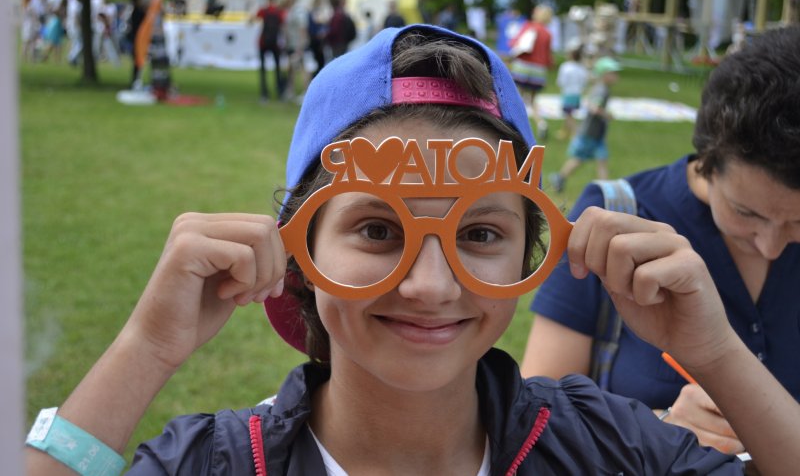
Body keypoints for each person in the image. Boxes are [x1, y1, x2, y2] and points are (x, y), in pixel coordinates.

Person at [25, 24, 800, 476]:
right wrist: (145, 346)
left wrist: (719, 353)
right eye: (378, 230)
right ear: (299, 251)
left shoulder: (601, 445)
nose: (430, 285)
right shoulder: (228, 462)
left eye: (479, 235)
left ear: (533, 248)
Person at [523, 25, 800, 459]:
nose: (770, 246)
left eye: (799, 222)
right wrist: (659, 429)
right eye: (747, 213)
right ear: (706, 155)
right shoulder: (617, 215)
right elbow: (536, 423)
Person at [548, 56, 620, 193]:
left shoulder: (603, 89)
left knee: (602, 159)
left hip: (597, 133)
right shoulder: (601, 90)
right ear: (604, 75)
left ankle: (606, 190)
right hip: (589, 132)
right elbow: (593, 107)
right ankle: (560, 177)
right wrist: (606, 114)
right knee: (579, 158)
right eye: (613, 73)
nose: (616, 76)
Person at [509, 4, 554, 141]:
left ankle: (515, 127)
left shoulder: (529, 26)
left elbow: (515, 43)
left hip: (523, 66)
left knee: (517, 97)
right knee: (533, 100)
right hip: (539, 71)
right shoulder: (548, 33)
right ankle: (541, 122)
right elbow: (548, 56)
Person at [252, 0, 285, 102]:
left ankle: (264, 93)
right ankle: (279, 92)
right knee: (277, 68)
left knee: (263, 69)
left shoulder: (263, 10)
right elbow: (283, 24)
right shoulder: (279, 11)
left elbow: (253, 19)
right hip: (275, 42)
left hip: (263, 41)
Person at [554, 39, 589, 140]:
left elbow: (561, 81)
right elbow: (584, 82)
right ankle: (564, 132)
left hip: (568, 93)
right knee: (569, 113)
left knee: (568, 115)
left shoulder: (565, 67)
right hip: (577, 94)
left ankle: (576, 133)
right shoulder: (582, 68)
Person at [126, 0, 146, 87]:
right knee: (137, 61)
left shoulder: (137, 10)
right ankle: (135, 80)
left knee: (138, 61)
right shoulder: (137, 11)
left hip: (137, 39)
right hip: (137, 39)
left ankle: (136, 79)